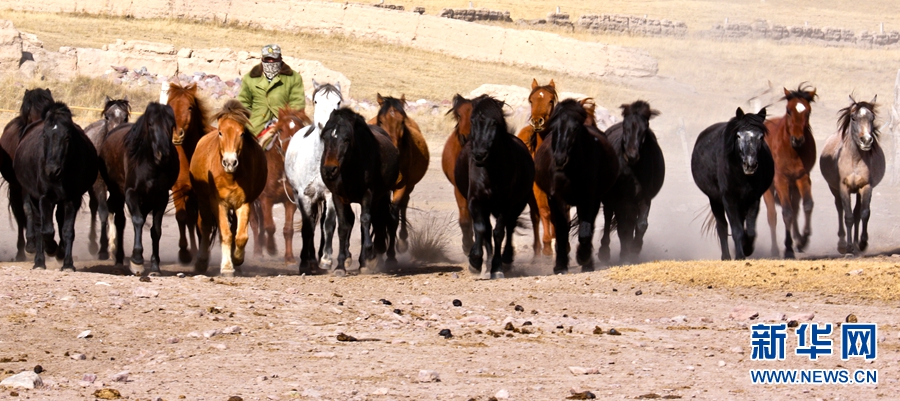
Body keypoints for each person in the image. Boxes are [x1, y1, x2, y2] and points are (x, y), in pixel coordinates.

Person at [238, 44, 306, 147]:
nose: (271, 62)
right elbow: (243, 103)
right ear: (262, 59)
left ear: (280, 58)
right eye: (267, 59)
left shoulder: (293, 78)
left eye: (274, 59)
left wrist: (282, 119)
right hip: (255, 126)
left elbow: (297, 103)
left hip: (284, 124)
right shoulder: (249, 78)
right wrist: (248, 121)